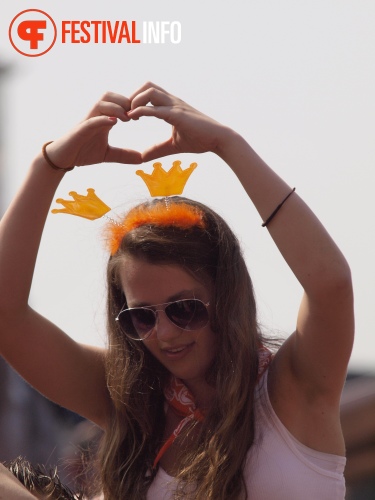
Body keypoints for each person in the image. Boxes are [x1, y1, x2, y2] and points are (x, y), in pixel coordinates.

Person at [0, 82, 354, 499]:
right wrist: (49, 166)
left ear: (227, 296)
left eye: (184, 309)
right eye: (141, 317)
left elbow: (330, 285)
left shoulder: (294, 389)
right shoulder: (131, 402)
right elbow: (7, 316)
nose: (165, 333)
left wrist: (228, 145)